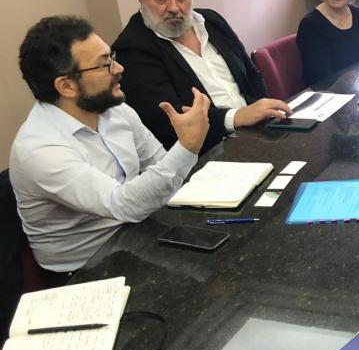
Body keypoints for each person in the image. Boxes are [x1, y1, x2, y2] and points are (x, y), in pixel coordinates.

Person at [10, 16, 210, 284]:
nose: (119, 68)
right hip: (84, 272)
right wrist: (187, 146)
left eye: (111, 56)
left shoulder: (114, 110)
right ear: (66, 86)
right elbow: (123, 204)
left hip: (139, 236)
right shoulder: (39, 150)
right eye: (105, 63)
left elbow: (159, 163)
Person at [113, 0, 292, 154]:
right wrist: (237, 117)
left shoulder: (212, 21)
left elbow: (251, 75)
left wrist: (265, 115)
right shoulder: (133, 48)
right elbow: (168, 120)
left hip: (259, 133)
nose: (174, 7)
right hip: (208, 153)